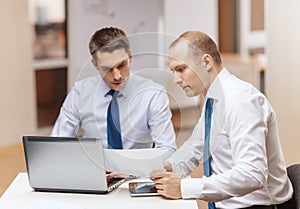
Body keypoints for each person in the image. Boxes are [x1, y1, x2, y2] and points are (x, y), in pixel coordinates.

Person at [150, 31, 293, 209]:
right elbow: (194, 149)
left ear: (207, 62)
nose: (176, 80)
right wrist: (152, 168)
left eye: (181, 69)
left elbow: (252, 174)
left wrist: (183, 187)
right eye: (173, 71)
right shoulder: (213, 98)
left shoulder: (240, 102)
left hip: (258, 206)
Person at [51, 27, 176, 159]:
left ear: (130, 57)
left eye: (121, 65)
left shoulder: (152, 94)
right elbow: (57, 144)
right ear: (95, 64)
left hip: (137, 173)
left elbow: (167, 149)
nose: (117, 76)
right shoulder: (80, 93)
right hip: (95, 172)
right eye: (107, 69)